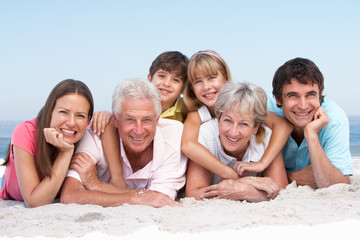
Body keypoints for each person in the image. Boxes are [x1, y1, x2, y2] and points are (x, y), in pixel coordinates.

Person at [60, 78, 188, 208]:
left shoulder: (174, 136)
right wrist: (137, 197)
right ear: (115, 120)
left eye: (147, 120)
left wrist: (96, 185)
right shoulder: (96, 134)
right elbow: (70, 195)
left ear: (157, 119)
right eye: (130, 119)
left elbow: (160, 199)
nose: (139, 131)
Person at [181, 50, 293, 182]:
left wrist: (262, 163)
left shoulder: (244, 106)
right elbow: (187, 145)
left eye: (211, 78)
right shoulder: (197, 114)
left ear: (226, 79)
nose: (206, 86)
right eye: (198, 81)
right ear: (191, 88)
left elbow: (284, 125)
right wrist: (229, 173)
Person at [0, 79, 101, 208]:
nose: (71, 122)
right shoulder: (25, 132)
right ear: (50, 111)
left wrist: (105, 116)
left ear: (88, 120)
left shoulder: (88, 133)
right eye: (63, 112)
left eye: (80, 115)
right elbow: (34, 202)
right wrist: (66, 152)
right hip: (11, 183)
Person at [98, 51, 189, 188]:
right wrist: (107, 116)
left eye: (175, 80)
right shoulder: (136, 102)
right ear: (149, 78)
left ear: (183, 88)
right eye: (162, 76)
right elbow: (118, 120)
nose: (166, 83)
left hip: (169, 169)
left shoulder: (185, 111)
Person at [186, 82, 288, 202]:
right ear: (218, 118)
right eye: (227, 120)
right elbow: (193, 194)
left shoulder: (266, 137)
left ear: (256, 127)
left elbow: (282, 191)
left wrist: (248, 192)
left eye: (244, 124)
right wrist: (245, 183)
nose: (233, 132)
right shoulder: (206, 134)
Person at [267, 57, 353, 188]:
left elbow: (340, 185)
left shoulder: (335, 119)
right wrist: (294, 178)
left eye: (310, 95)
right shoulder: (266, 110)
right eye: (293, 96)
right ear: (278, 99)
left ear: (320, 95)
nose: (302, 106)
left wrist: (311, 134)